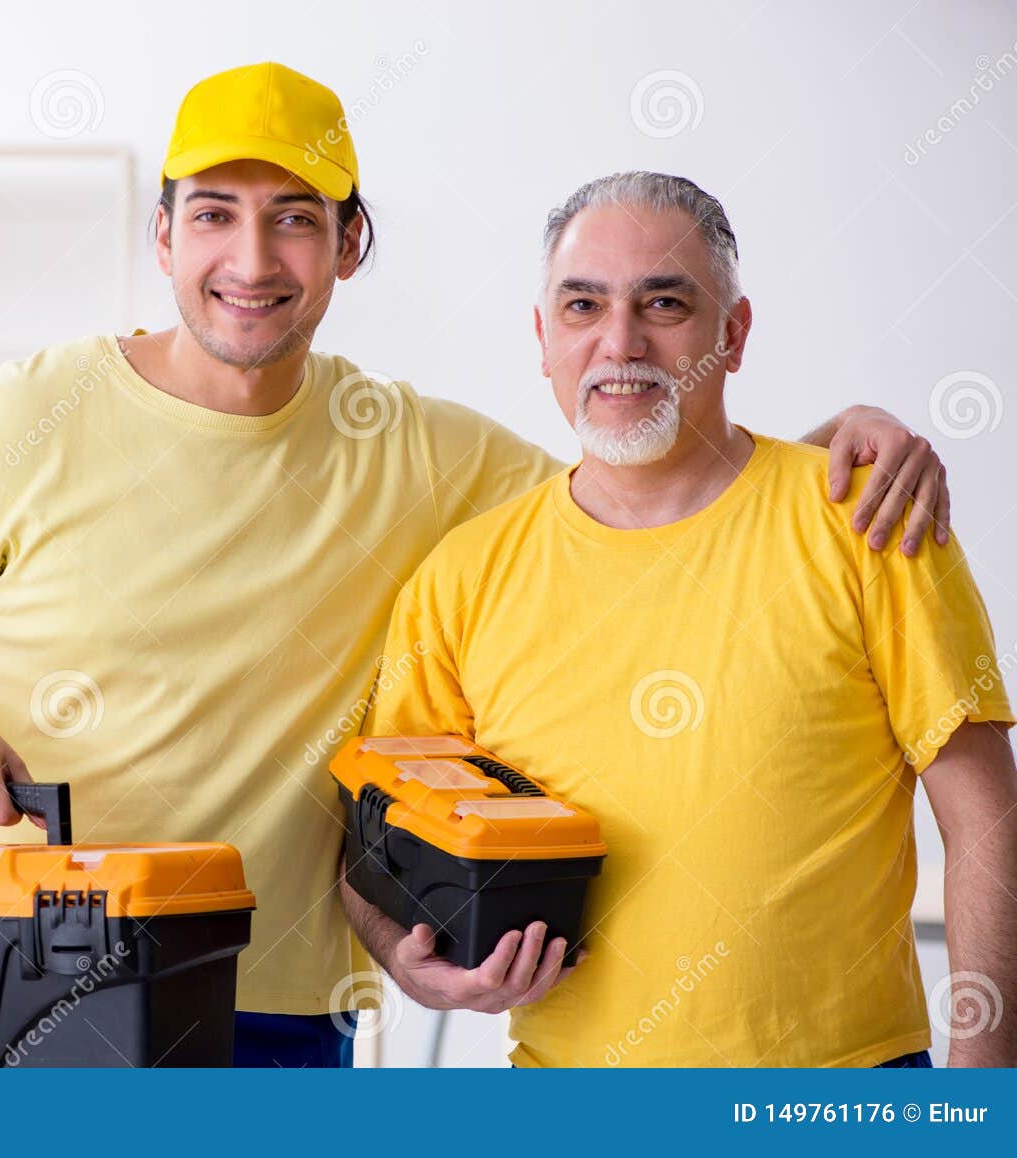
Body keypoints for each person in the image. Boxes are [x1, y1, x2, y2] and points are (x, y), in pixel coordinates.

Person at [0, 65, 955, 1068]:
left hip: (281, 1008)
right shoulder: (17, 419)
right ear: (164, 237)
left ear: (350, 245)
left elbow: (645, 484)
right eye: (214, 214)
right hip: (20, 981)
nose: (252, 259)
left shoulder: (421, 453)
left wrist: (830, 451)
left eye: (294, 217)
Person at [352, 170, 1016, 1067]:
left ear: (732, 335)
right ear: (544, 339)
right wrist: (405, 961)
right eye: (583, 306)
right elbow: (372, 844)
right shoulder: (460, 580)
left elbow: (985, 820)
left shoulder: (868, 523)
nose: (620, 342)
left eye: (664, 304)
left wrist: (984, 1099)